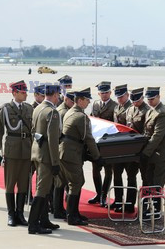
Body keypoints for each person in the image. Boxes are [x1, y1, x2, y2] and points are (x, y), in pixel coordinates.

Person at [59, 87, 103, 226]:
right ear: (80, 100)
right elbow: (88, 138)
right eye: (87, 99)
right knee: (76, 183)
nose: (89, 102)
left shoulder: (71, 111)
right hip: (72, 153)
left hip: (66, 151)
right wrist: (97, 157)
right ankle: (72, 216)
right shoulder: (81, 117)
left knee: (77, 182)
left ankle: (74, 213)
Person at [0, 80, 33, 227]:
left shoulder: (29, 109)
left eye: (25, 92)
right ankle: (11, 214)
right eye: (23, 92)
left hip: (26, 150)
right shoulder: (5, 108)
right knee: (10, 184)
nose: (25, 94)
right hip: (12, 150)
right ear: (14, 93)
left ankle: (20, 214)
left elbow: (33, 132)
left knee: (23, 184)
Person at [28, 84, 61, 234]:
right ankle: (33, 224)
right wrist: (55, 162)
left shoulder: (37, 108)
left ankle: (44, 220)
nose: (59, 97)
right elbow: (53, 140)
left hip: (36, 152)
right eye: (58, 95)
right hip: (46, 156)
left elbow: (34, 131)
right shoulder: (52, 112)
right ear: (54, 95)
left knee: (44, 188)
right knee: (42, 190)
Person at [140, 87, 165, 218]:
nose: (149, 101)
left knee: (157, 183)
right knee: (149, 180)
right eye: (148, 99)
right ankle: (150, 208)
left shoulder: (162, 113)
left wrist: (145, 152)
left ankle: (156, 210)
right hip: (154, 153)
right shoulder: (152, 111)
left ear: (158, 97)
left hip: (162, 154)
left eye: (152, 99)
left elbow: (157, 136)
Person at [88, 81, 116, 207]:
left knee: (108, 171)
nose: (104, 95)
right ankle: (98, 194)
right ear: (98, 93)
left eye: (106, 92)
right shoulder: (95, 104)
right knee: (95, 170)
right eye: (102, 93)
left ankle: (104, 196)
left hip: (109, 143)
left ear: (110, 93)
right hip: (96, 142)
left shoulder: (114, 106)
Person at [124, 88, 150, 212]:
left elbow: (148, 131)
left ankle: (145, 206)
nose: (134, 103)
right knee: (130, 177)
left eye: (137, 100)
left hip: (143, 150)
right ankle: (130, 203)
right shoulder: (129, 110)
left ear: (142, 98)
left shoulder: (147, 111)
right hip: (131, 150)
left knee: (146, 178)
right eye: (133, 100)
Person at [52, 90, 74, 219]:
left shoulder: (62, 110)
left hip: (59, 149)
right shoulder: (64, 112)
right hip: (62, 149)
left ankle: (58, 208)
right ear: (66, 100)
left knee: (59, 182)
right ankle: (58, 209)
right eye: (72, 101)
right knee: (60, 182)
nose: (74, 103)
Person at [111, 84, 134, 211]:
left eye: (122, 96)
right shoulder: (117, 107)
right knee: (117, 175)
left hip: (129, 148)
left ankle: (130, 204)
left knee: (130, 176)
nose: (120, 99)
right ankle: (118, 200)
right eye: (118, 97)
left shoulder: (131, 108)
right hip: (118, 147)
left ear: (127, 95)